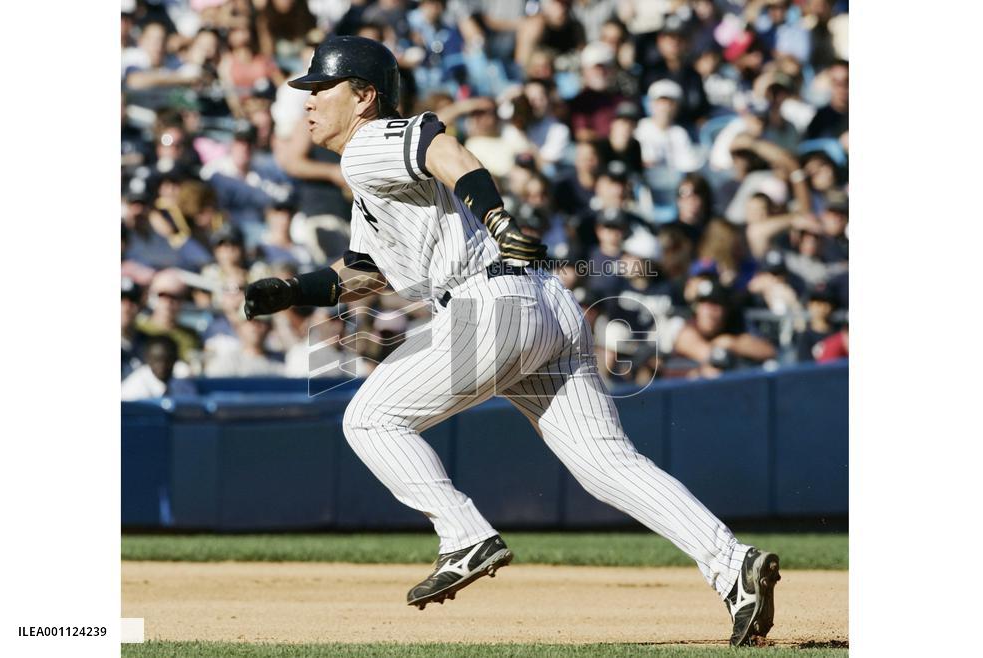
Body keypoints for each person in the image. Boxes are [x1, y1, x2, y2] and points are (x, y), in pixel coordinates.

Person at [242, 37, 781, 646]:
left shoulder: (368, 144)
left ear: (364, 96)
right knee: (607, 464)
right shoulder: (371, 178)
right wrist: (294, 289)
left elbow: (441, 146)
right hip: (544, 305)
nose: (309, 101)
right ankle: (732, 563)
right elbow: (367, 271)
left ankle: (464, 536)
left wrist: (497, 217)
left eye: (322, 88)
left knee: (369, 419)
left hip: (489, 307)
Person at [121, 335, 197, 400]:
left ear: (175, 360)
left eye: (168, 360)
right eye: (156, 360)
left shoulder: (182, 379)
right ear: (147, 359)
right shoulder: (133, 390)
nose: (162, 365)